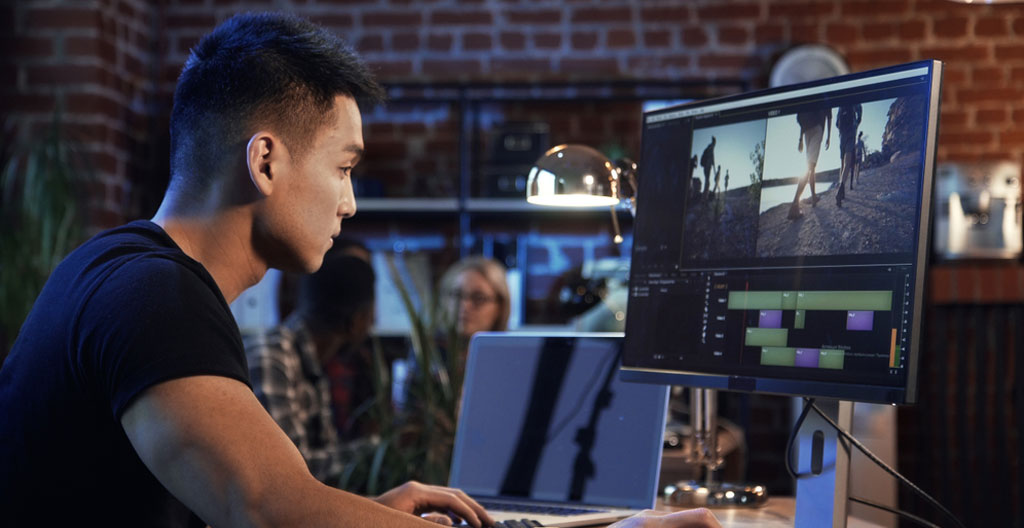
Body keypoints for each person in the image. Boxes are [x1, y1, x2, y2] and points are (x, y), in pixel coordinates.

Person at [0, 12, 719, 528]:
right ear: (265, 161)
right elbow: (265, 509)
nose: (349, 203)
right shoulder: (155, 296)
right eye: (344, 168)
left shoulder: (115, 268)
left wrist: (363, 515)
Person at [245, 247, 375, 486]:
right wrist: (379, 449)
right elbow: (289, 473)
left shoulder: (310, 361)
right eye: (371, 315)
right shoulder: (272, 358)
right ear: (358, 320)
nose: (373, 323)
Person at [788, 107, 832, 220]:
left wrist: (800, 139)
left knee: (811, 165)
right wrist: (828, 136)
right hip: (817, 128)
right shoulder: (825, 97)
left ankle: (813, 197)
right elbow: (829, 116)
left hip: (806, 130)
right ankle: (794, 205)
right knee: (810, 166)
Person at [835, 102, 863, 206]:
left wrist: (841, 130)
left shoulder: (841, 103)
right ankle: (841, 189)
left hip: (842, 134)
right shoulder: (856, 100)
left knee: (842, 163)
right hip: (851, 130)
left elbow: (837, 123)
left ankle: (841, 190)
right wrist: (856, 124)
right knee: (847, 162)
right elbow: (859, 113)